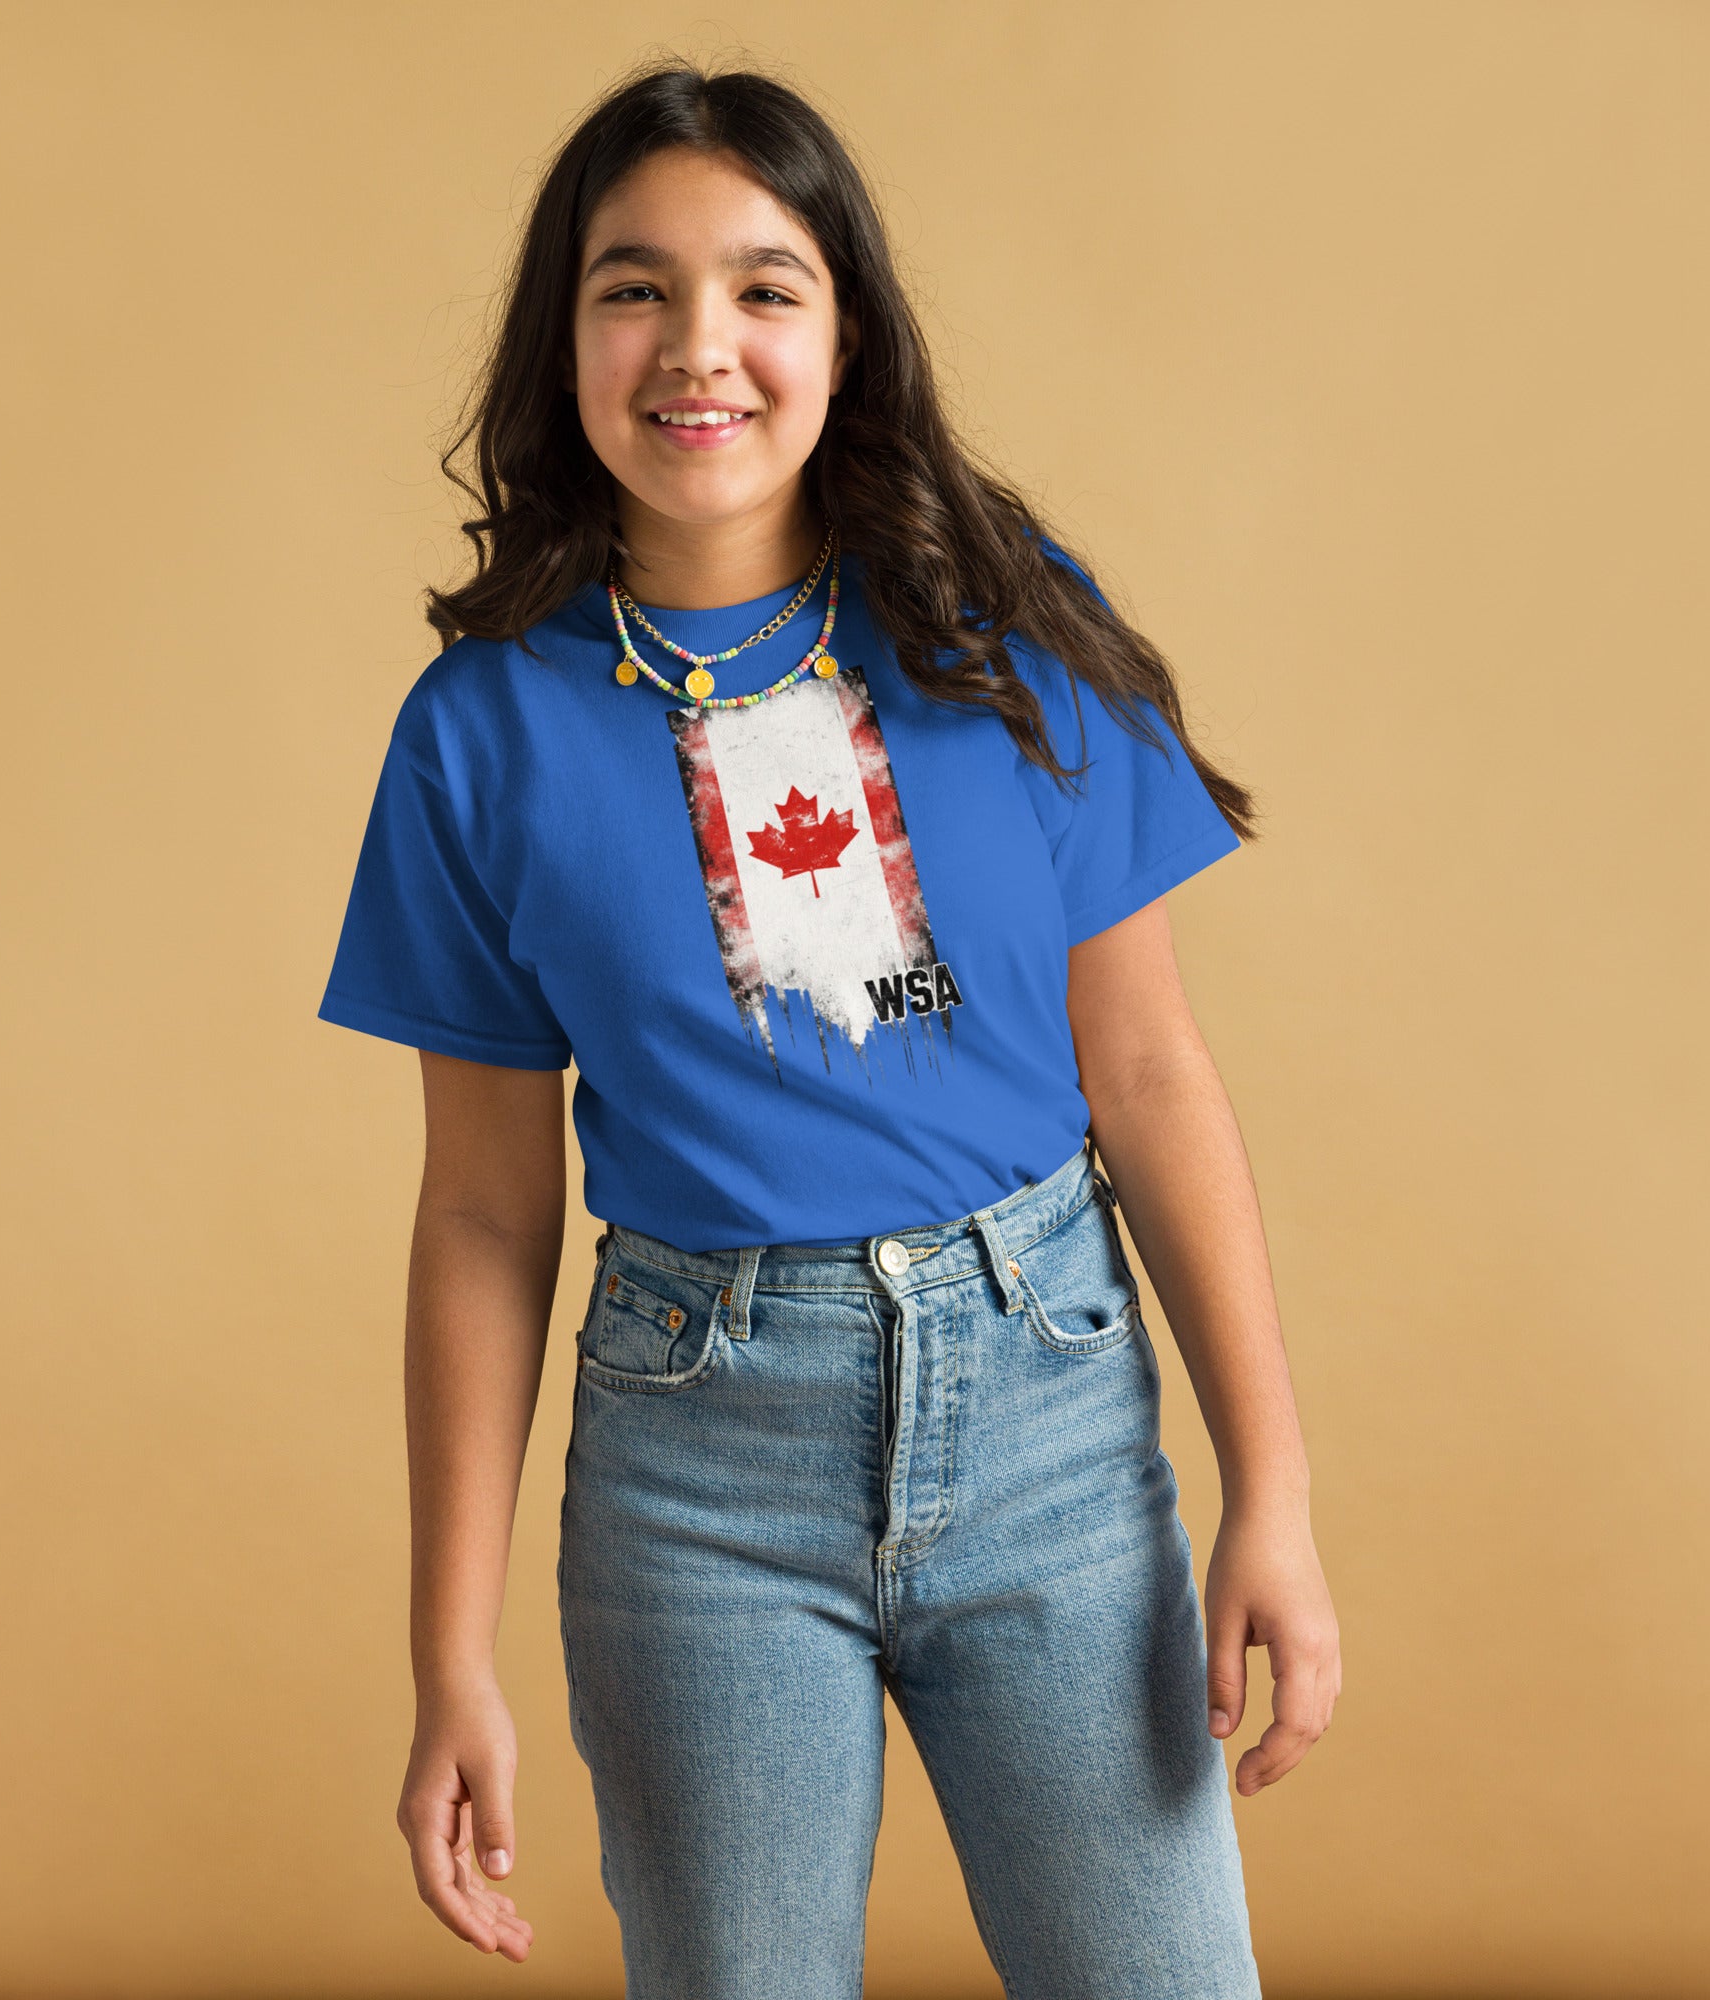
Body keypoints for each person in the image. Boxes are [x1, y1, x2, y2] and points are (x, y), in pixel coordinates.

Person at [317, 59, 1340, 2000]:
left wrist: (1267, 1491)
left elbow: (1145, 1076)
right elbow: (480, 1213)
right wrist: (449, 1652)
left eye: (764, 287)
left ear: (846, 334)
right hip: (699, 1463)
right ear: (566, 335)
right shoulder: (478, 732)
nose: (698, 343)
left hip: (1047, 1402)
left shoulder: (1007, 632)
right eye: (634, 287)